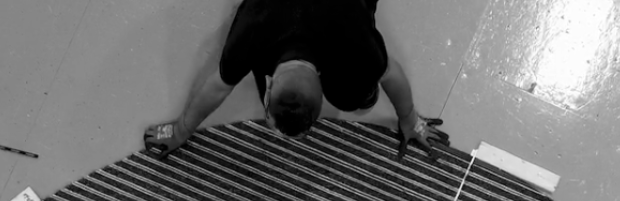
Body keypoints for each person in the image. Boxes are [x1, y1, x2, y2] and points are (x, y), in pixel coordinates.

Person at [144, 0, 448, 162]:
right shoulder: (250, 30)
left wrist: (410, 119)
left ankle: (355, 93)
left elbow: (390, 74)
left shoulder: (352, 38)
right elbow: (218, 86)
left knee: (353, 97)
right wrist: (181, 129)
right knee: (356, 87)